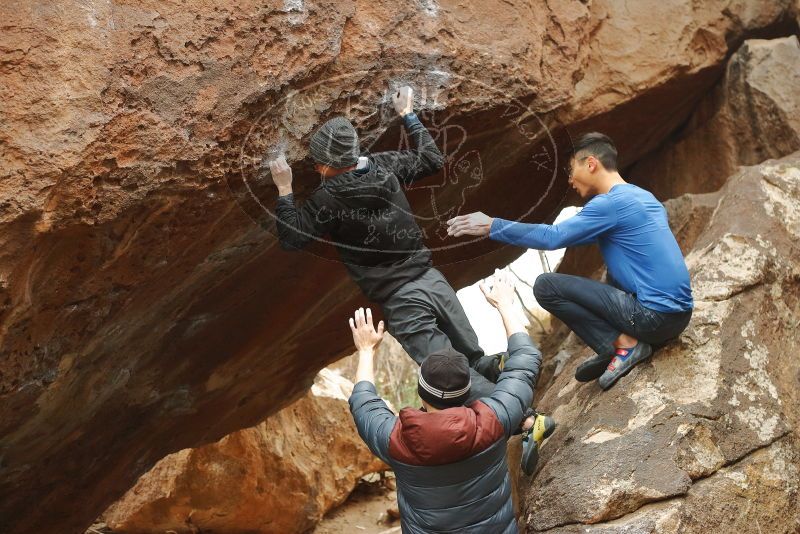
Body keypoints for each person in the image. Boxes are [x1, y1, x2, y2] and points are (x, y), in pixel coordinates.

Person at [267, 87, 553, 464]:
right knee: (469, 353)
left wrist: (285, 189)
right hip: (431, 278)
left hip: (401, 300)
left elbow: (291, 237)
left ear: (325, 165)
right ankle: (491, 368)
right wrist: (408, 114)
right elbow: (432, 159)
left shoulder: (326, 200)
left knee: (448, 376)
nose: (316, 170)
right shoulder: (382, 166)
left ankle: (527, 421)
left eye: (318, 164)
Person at [446, 132, 693, 390]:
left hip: (652, 318)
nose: (569, 179)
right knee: (612, 268)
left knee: (546, 286)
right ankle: (615, 346)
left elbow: (553, 237)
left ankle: (625, 345)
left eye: (571, 168)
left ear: (591, 163)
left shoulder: (609, 205)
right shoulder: (644, 197)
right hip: (679, 317)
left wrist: (492, 225)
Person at [348, 272, 554, 533]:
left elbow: (363, 401)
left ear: (421, 392)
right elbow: (525, 359)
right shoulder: (496, 419)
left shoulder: (395, 441)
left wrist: (366, 350)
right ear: (468, 390)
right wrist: (505, 305)